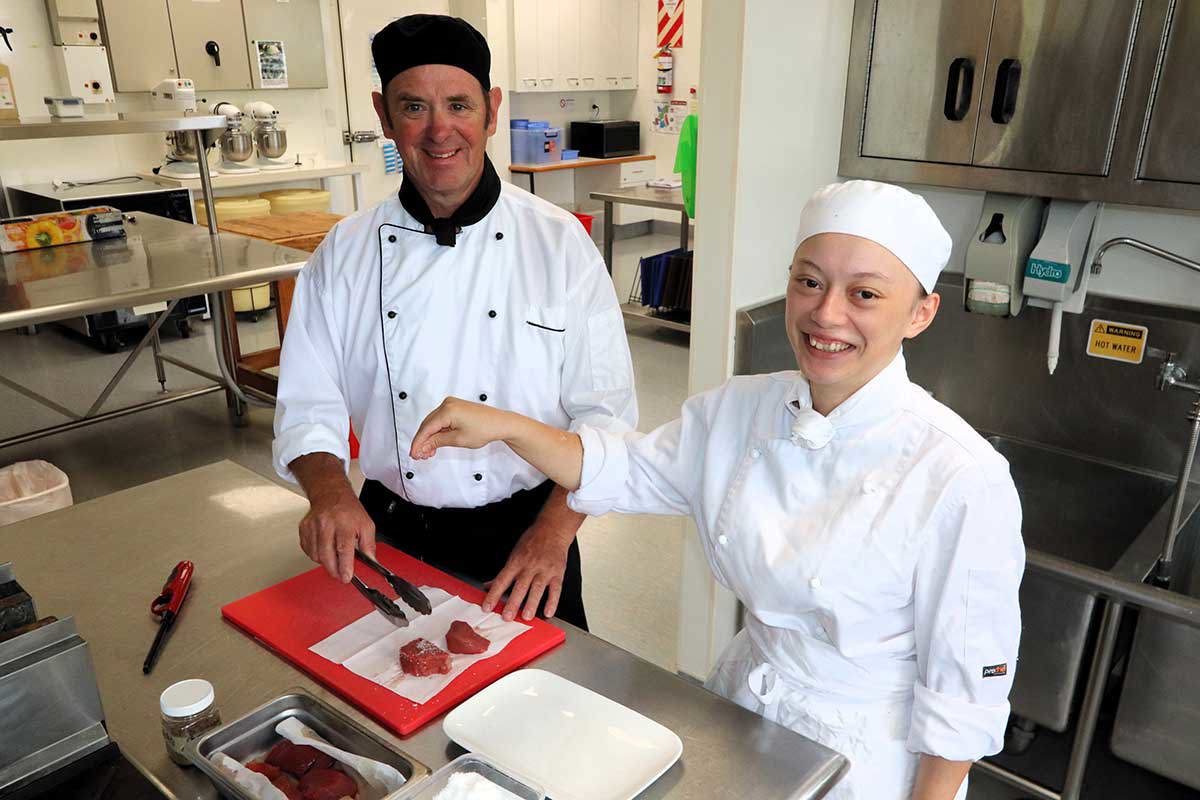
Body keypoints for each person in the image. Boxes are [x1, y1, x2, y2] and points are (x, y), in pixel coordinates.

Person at [408, 181, 1025, 800]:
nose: (827, 313)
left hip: (869, 760)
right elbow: (620, 468)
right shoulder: (742, 409)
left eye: (864, 293)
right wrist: (507, 427)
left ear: (921, 313)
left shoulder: (959, 475)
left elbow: (962, 698)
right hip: (743, 713)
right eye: (809, 281)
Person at [272, 14, 636, 631]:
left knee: (538, 714)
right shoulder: (344, 252)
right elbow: (308, 402)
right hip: (383, 532)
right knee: (388, 714)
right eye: (414, 107)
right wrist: (329, 493)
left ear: (491, 112)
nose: (440, 131)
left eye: (459, 105)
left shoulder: (558, 245)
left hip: (528, 538)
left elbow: (606, 416)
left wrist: (552, 535)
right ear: (383, 117)